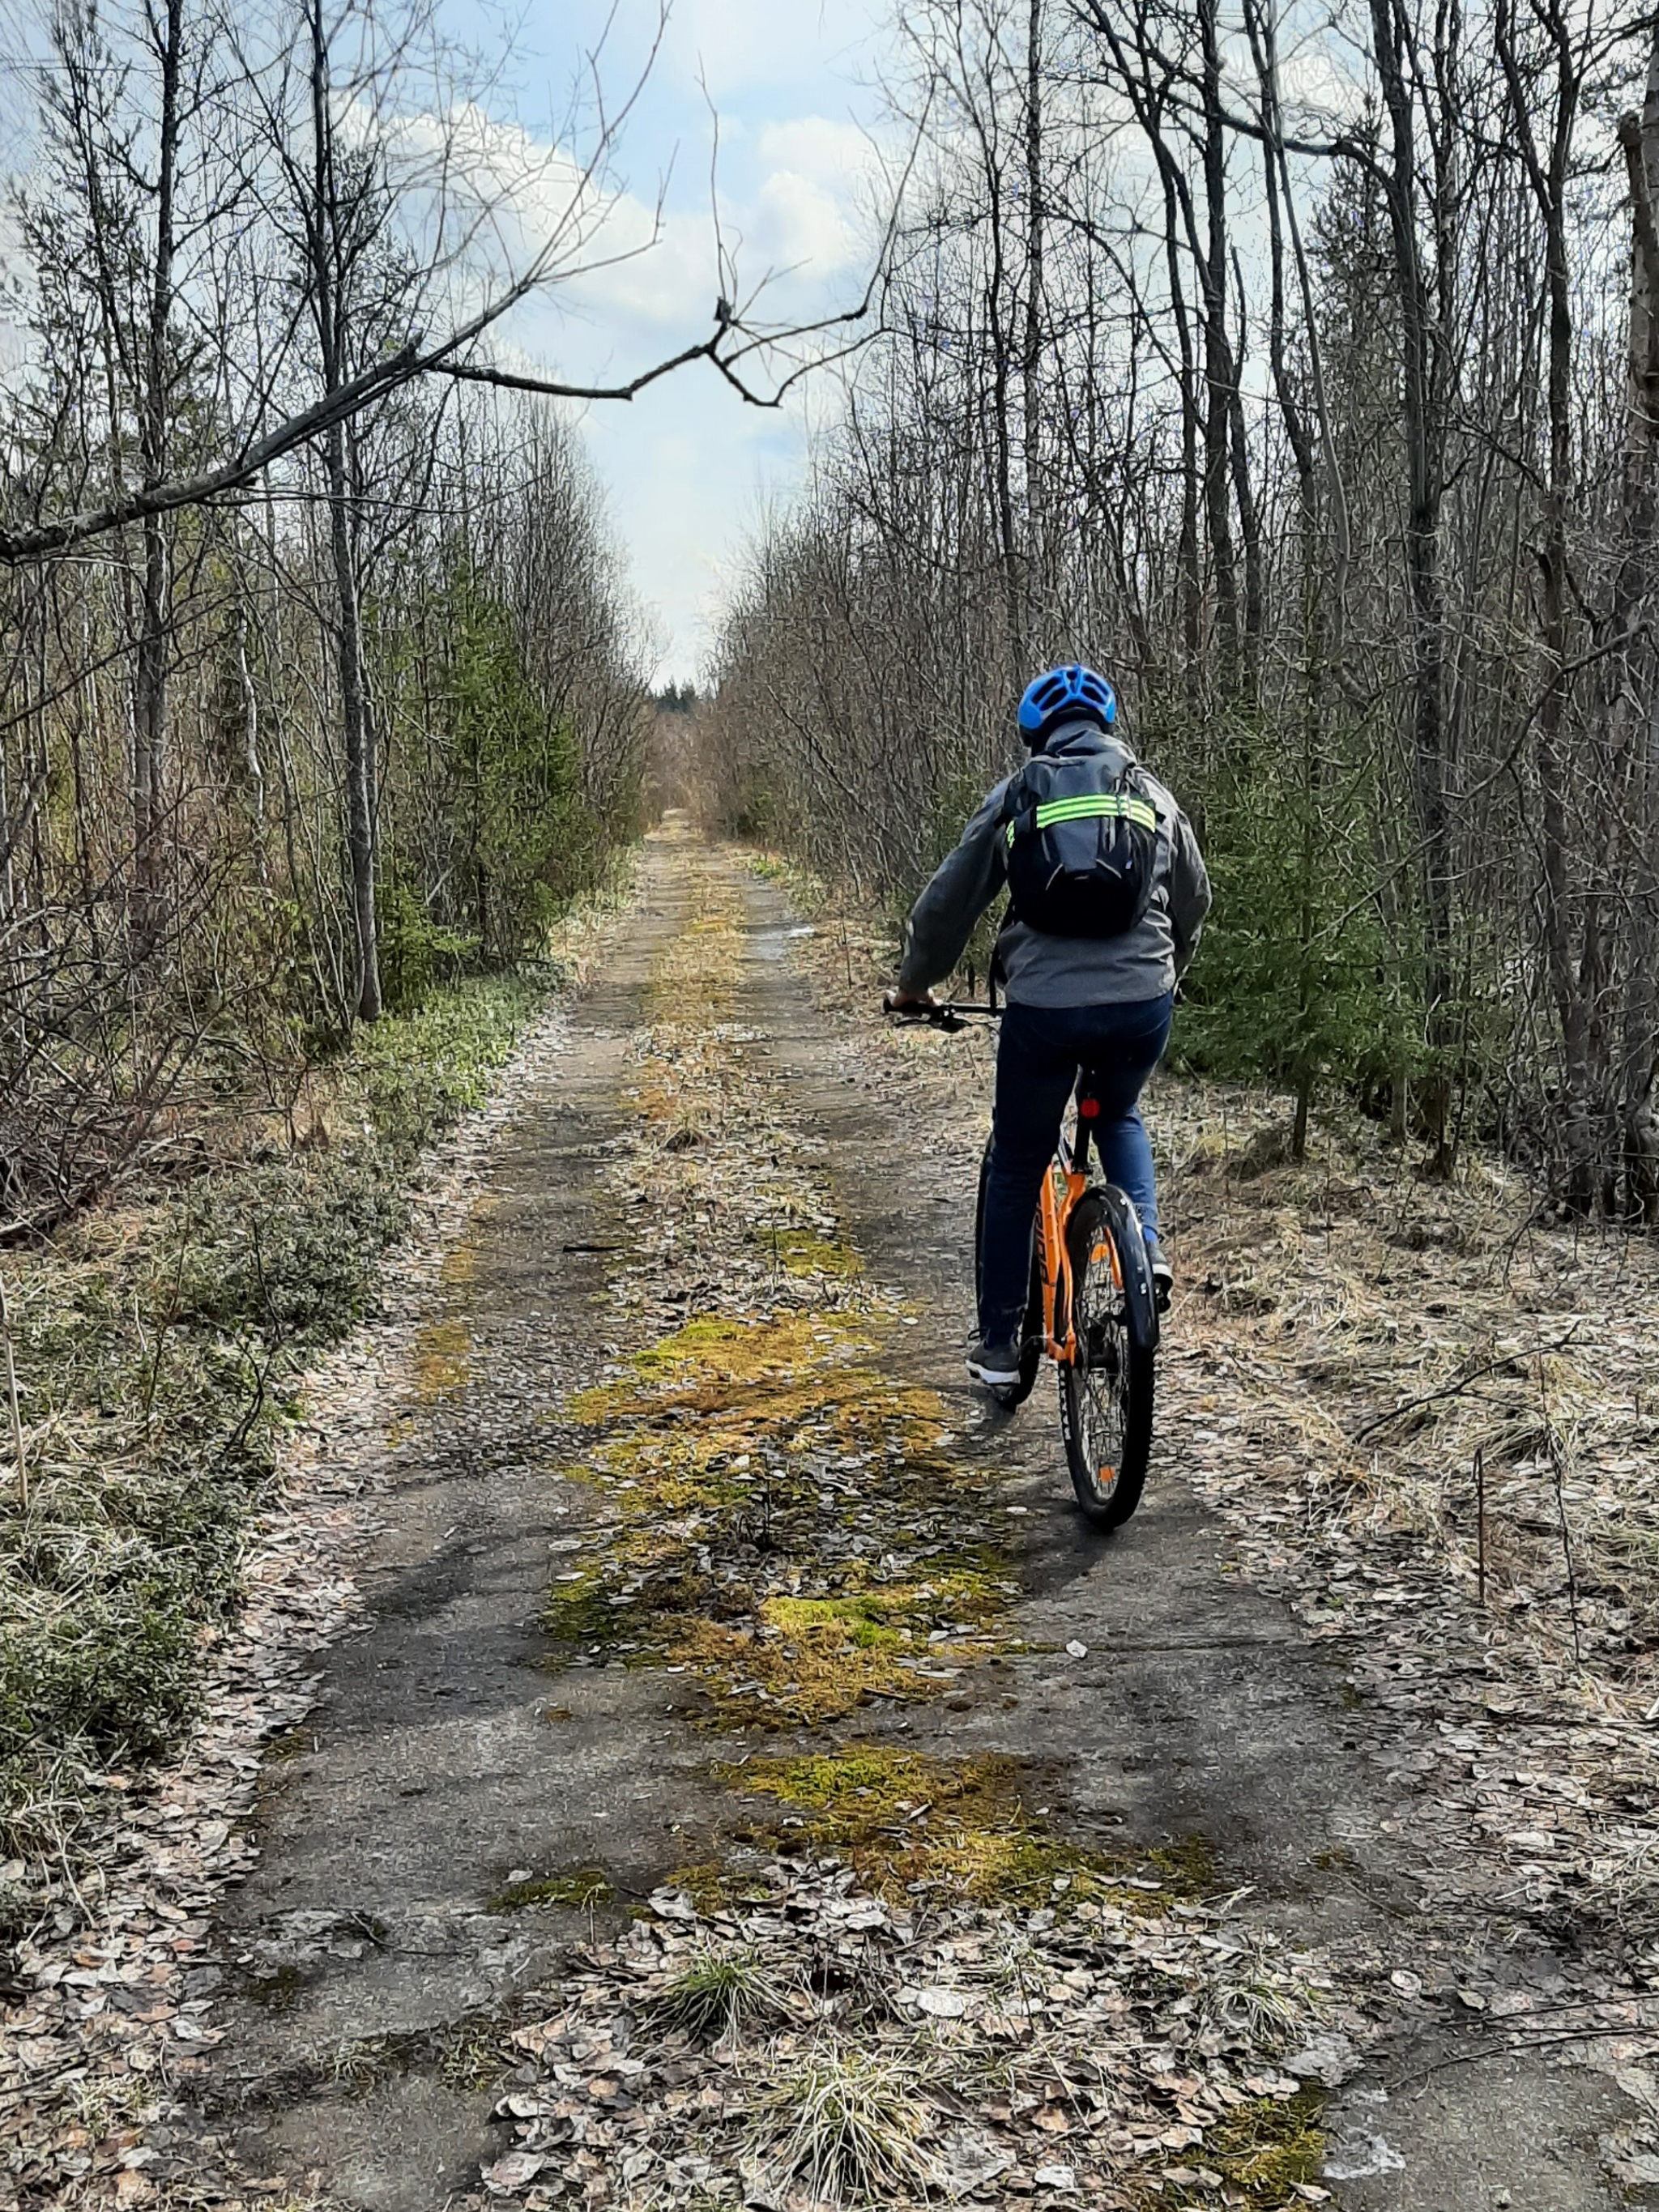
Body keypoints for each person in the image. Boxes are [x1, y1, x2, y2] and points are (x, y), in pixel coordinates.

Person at [887, 663, 1210, 1396]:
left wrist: (915, 984)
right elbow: (1194, 899)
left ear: (1035, 734)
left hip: (1043, 1012)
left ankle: (1000, 1343)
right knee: (1118, 1110)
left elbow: (948, 903)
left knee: (1019, 1158)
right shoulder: (1151, 794)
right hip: (1141, 1004)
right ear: (1108, 726)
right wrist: (1168, 975)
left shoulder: (1018, 795)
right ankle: (1145, 1260)